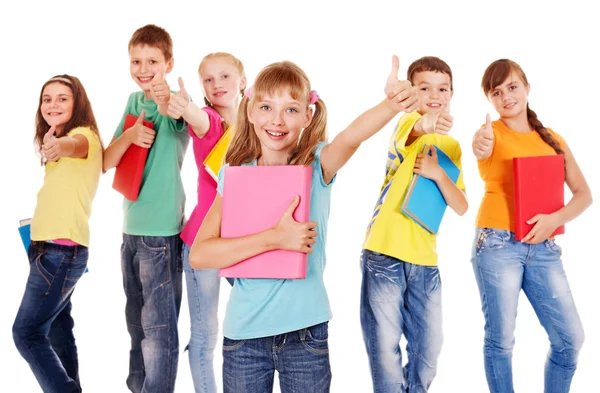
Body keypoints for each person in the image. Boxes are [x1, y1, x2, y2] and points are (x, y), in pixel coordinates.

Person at [189, 57, 418, 393]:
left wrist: (390, 105)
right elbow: (201, 254)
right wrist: (275, 239)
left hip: (305, 335)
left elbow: (351, 137)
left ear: (307, 116)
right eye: (266, 107)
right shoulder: (235, 174)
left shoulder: (317, 166)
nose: (277, 120)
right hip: (243, 339)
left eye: (291, 110)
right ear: (250, 111)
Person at [471, 58, 592, 393]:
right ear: (490, 100)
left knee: (570, 339)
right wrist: (479, 144)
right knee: (501, 342)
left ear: (526, 88)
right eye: (496, 92)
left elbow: (583, 194)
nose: (506, 96)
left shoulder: (552, 138)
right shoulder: (489, 134)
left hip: (544, 248)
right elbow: (480, 148)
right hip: (496, 245)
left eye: (512, 87)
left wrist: (555, 219)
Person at [360, 56, 468, 393]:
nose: (435, 94)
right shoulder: (407, 124)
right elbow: (418, 129)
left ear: (452, 93)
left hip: (425, 261)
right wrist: (429, 120)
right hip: (384, 254)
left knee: (430, 349)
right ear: (413, 93)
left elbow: (461, 205)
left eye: (442, 89)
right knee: (385, 349)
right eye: (424, 88)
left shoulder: (451, 146)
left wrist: (437, 173)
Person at [102, 24, 190, 393]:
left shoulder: (175, 103)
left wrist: (167, 97)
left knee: (158, 330)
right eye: (136, 60)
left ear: (168, 63)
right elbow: (108, 159)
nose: (143, 68)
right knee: (136, 324)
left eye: (152, 60)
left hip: (160, 232)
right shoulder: (133, 102)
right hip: (131, 228)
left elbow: (181, 118)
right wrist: (130, 135)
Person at [12, 74, 103, 393]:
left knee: (26, 333)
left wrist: (57, 145)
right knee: (58, 330)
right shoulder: (66, 144)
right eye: (47, 98)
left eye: (62, 98)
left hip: (59, 253)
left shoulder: (82, 137)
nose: (53, 104)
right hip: (47, 249)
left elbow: (72, 145)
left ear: (78, 103)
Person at [173, 52, 247, 393]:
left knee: (254, 319)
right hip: (202, 242)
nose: (217, 84)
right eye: (209, 79)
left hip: (242, 243)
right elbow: (196, 119)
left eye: (225, 76)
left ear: (243, 82)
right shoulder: (208, 120)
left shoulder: (257, 125)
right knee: (205, 334)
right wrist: (184, 105)